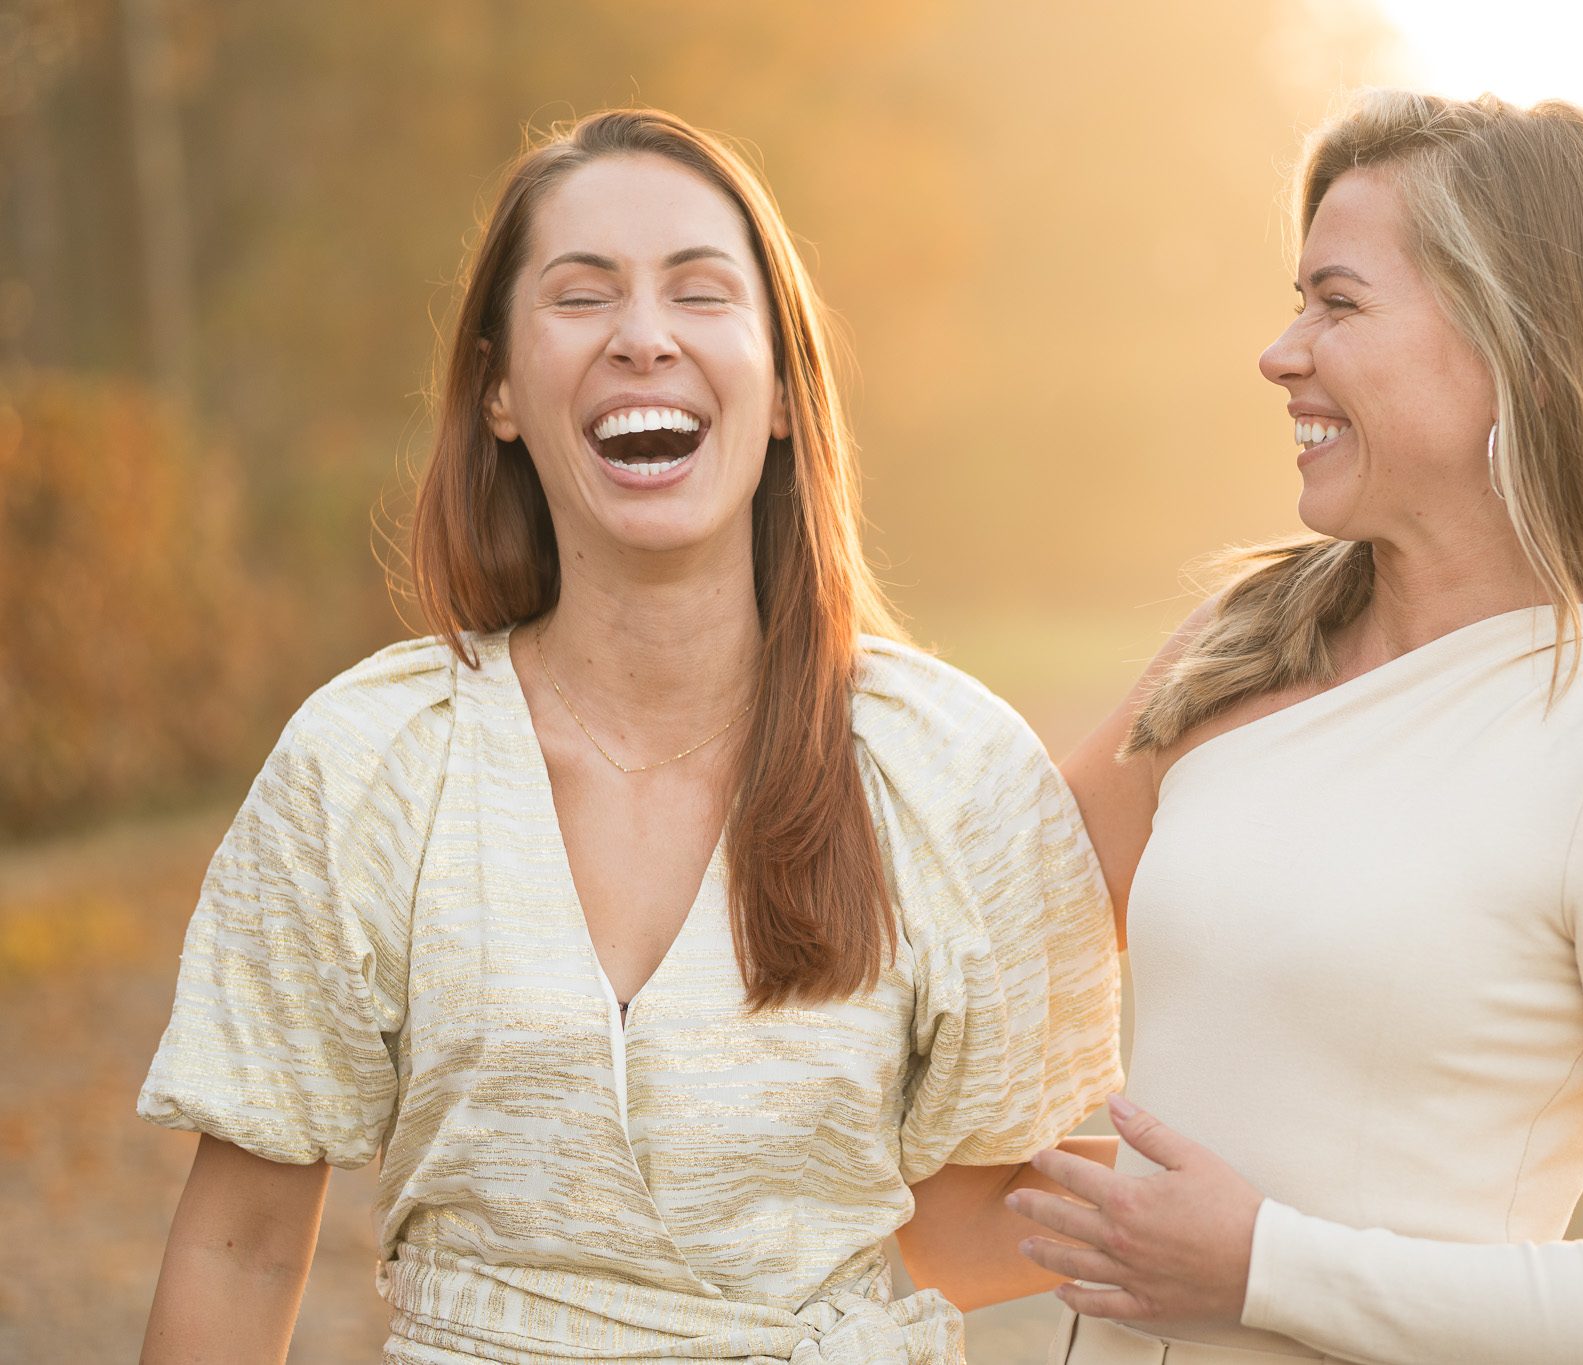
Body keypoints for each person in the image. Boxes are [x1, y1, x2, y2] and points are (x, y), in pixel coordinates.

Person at [135, 108, 1122, 1365]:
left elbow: (969, 1222)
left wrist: (1309, 1243)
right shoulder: (369, 767)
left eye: (701, 294)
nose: (643, 336)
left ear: (778, 390)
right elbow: (241, 1246)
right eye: (582, 294)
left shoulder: (946, 771)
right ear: (497, 388)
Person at [1013, 90, 1583, 1365]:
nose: (1280, 353)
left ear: (1522, 344)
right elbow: (979, 926)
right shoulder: (1240, 646)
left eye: (1336, 305)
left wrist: (1266, 1269)